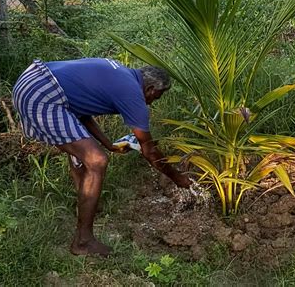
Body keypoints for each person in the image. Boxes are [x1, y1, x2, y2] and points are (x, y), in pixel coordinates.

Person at [12, 58, 192, 257]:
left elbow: (81, 111)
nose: (150, 103)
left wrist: (108, 145)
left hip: (33, 79)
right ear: (150, 89)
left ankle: (85, 208)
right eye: (155, 97)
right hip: (43, 93)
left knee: (84, 156)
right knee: (96, 161)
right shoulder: (132, 93)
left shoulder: (121, 74)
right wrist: (177, 178)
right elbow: (149, 151)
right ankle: (83, 241)